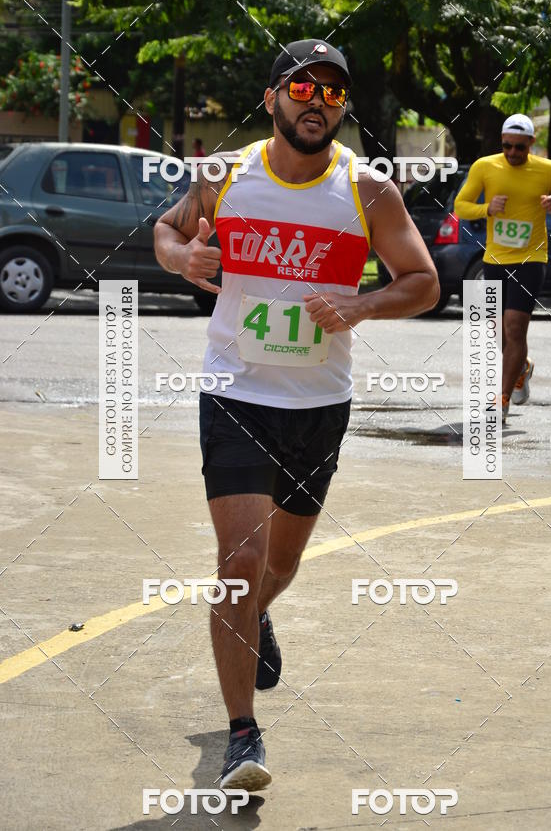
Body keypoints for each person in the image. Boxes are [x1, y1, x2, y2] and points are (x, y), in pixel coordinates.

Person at [153, 39, 439, 791]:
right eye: (304, 88)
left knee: (280, 565)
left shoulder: (370, 190)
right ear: (275, 95)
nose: (319, 103)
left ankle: (256, 620)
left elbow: (424, 282)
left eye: (334, 94)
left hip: (320, 403)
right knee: (240, 566)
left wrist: (365, 302)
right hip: (237, 390)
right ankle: (243, 736)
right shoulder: (224, 174)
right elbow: (167, 230)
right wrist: (182, 260)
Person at [454, 113, 551, 424]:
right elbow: (461, 205)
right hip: (494, 260)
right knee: (500, 334)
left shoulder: (548, 170)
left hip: (531, 260)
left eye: (519, 148)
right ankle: (522, 366)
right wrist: (487, 209)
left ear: (531, 144)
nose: (512, 153)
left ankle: (503, 399)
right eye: (507, 146)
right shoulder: (485, 166)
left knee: (514, 328)